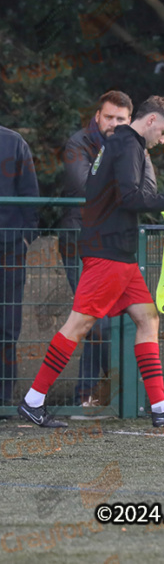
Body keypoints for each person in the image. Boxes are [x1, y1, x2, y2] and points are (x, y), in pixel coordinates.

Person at [18, 96, 164, 428]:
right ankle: (33, 401)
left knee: (148, 320)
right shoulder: (128, 146)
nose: (162, 141)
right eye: (162, 133)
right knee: (78, 326)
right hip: (108, 254)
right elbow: (130, 197)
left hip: (117, 254)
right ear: (150, 122)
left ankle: (160, 408)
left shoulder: (116, 143)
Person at [59, 91, 132, 407]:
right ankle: (94, 393)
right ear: (97, 116)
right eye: (109, 117)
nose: (114, 124)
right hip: (79, 239)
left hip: (114, 242)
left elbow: (145, 188)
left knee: (114, 317)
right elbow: (86, 188)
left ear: (129, 120)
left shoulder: (132, 145)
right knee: (95, 317)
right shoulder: (78, 144)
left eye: (121, 119)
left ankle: (104, 393)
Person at [1, 124, 39, 409]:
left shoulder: (14, 142)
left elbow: (30, 196)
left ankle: (3, 399)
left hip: (10, 249)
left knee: (7, 326)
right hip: (11, 245)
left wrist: (27, 239)